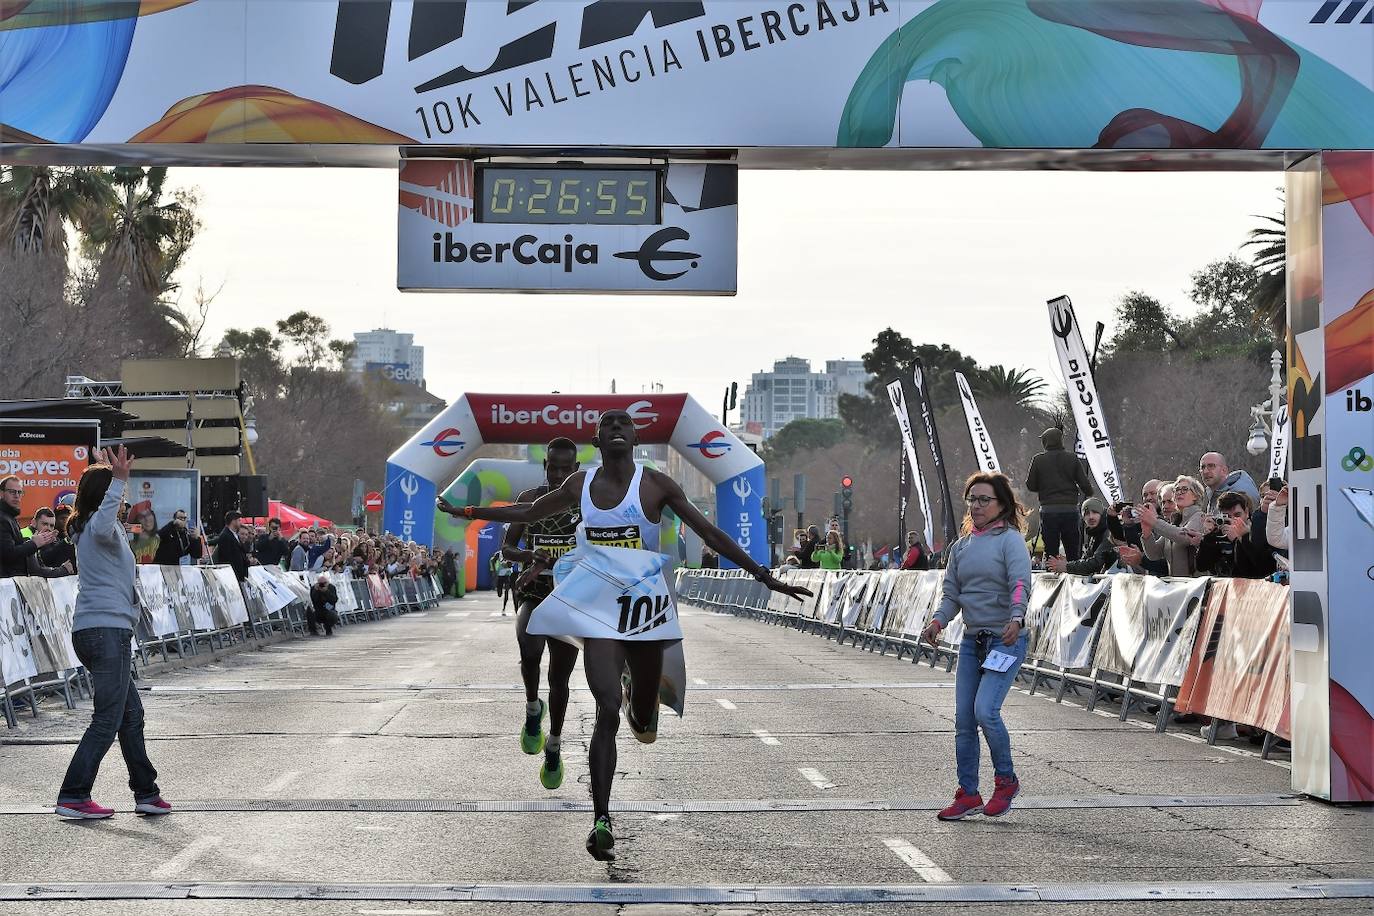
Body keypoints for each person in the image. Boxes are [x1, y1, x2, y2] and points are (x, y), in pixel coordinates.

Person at [438, 409, 811, 860]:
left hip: (645, 613)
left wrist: (765, 576)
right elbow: (529, 511)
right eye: (608, 425)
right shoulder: (580, 487)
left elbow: (709, 531)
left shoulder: (654, 485)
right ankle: (601, 818)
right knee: (607, 711)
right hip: (599, 613)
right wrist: (467, 511)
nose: (616, 429)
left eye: (624, 425)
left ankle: (642, 694)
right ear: (598, 439)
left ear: (635, 438)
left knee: (642, 722)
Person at [55, 446, 169, 820]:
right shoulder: (97, 528)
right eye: (119, 496)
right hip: (105, 631)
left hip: (105, 630)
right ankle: (73, 795)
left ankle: (146, 793)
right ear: (106, 497)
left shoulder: (97, 530)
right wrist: (118, 480)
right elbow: (105, 518)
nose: (124, 502)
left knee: (130, 715)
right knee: (108, 718)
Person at [920, 472, 1032, 821]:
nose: (977, 505)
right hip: (973, 641)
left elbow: (1020, 583)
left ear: (1001, 504)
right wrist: (938, 620)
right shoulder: (961, 546)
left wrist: (1016, 617)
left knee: (986, 711)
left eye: (985, 499)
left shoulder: (1010, 541)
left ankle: (1006, 780)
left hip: (1005, 640)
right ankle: (968, 792)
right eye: (972, 499)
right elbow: (952, 594)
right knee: (964, 721)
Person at [499, 437, 582, 790]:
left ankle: (554, 744)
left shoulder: (587, 503)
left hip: (570, 594)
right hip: (534, 588)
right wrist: (527, 558)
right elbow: (507, 546)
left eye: (566, 468)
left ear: (576, 470)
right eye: (553, 467)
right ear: (545, 466)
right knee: (529, 650)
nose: (559, 473)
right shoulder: (529, 500)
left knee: (560, 680)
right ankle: (534, 709)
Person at [1024, 427, 1094, 564]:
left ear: (1045, 442)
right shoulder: (1072, 458)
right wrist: (1084, 493)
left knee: (1051, 552)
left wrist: (1044, 488)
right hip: (1070, 510)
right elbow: (1085, 485)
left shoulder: (1038, 460)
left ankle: (1052, 579)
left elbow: (1030, 485)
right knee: (1073, 550)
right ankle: (1075, 577)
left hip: (1048, 510)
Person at [1197, 491, 1278, 580]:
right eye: (1227, 516)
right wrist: (1208, 537)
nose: (1232, 520)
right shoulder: (1218, 533)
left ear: (1246, 512)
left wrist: (1240, 539)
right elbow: (1201, 566)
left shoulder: (1256, 533)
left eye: (1237, 515)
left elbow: (1259, 570)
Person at [1140, 475, 1206, 577]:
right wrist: (1147, 533)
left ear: (1196, 496)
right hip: (1177, 586)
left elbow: (1184, 538)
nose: (1179, 492)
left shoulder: (1199, 516)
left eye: (1184, 489)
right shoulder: (1175, 522)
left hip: (1195, 586)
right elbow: (1154, 554)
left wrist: (1154, 521)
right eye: (1176, 490)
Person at [1, 474, 57, 578]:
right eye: (12, 492)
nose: (16, 495)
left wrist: (37, 542)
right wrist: (34, 543)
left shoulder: (10, 517)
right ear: (2, 493)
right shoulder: (3, 519)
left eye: (19, 492)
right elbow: (8, 554)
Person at [23, 508, 74, 577]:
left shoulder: (52, 540)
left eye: (51, 526)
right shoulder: (25, 538)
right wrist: (63, 570)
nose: (48, 528)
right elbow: (37, 572)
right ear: (34, 523)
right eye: (45, 524)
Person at [214, 511, 251, 582]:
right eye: (239, 520)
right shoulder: (226, 536)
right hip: (232, 576)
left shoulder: (234, 534)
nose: (240, 522)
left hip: (240, 575)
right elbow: (228, 557)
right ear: (233, 521)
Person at [309, 572, 339, 637]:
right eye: (321, 583)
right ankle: (313, 631)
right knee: (309, 611)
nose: (322, 585)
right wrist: (316, 591)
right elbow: (314, 600)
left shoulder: (331, 587)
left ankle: (328, 629)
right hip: (318, 609)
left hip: (328, 607)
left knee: (330, 613)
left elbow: (334, 600)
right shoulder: (314, 588)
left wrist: (326, 592)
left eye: (324, 583)